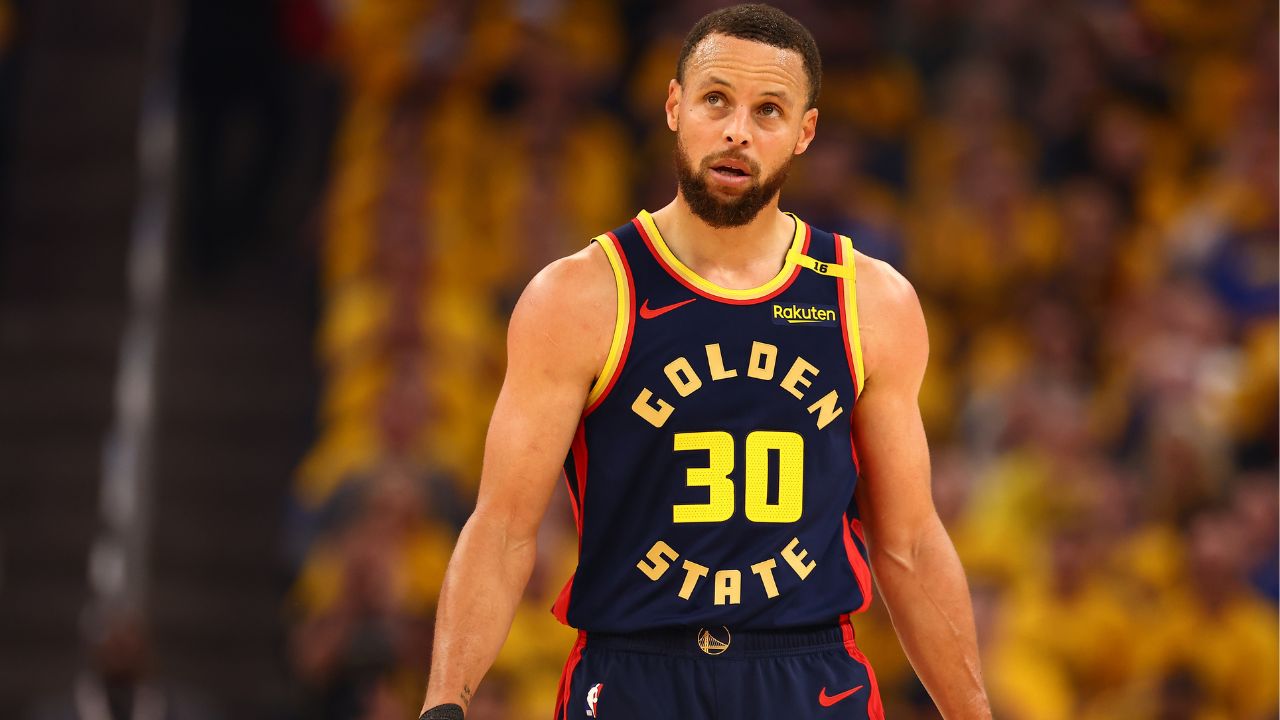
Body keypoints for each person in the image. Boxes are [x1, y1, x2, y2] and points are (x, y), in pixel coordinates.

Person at [420, 5, 991, 719]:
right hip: (634, 669)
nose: (737, 131)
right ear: (673, 105)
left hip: (807, 672)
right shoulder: (579, 295)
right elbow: (502, 529)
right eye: (716, 99)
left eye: (770, 110)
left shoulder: (867, 299)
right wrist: (445, 702)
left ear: (805, 132)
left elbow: (906, 544)